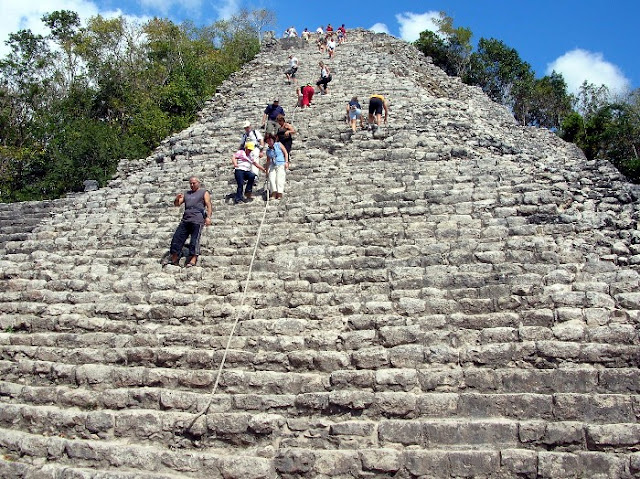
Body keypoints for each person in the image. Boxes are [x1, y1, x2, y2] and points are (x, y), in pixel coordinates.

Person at [168, 176, 212, 268]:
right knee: (177, 237)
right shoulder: (186, 193)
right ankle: (174, 257)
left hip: (197, 219)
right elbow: (177, 204)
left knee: (194, 240)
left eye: (194, 183)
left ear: (198, 183)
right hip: (186, 219)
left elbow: (208, 205)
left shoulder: (203, 192)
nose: (192, 185)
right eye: (190, 183)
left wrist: (208, 217)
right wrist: (177, 198)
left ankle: (193, 258)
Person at [264, 133, 289, 200]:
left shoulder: (278, 144)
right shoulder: (268, 151)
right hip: (273, 165)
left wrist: (286, 162)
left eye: (270, 140)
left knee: (279, 179)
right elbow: (268, 161)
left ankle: (279, 193)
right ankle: (273, 192)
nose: (269, 142)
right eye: (268, 141)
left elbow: (285, 152)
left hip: (280, 164)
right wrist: (267, 171)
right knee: (271, 178)